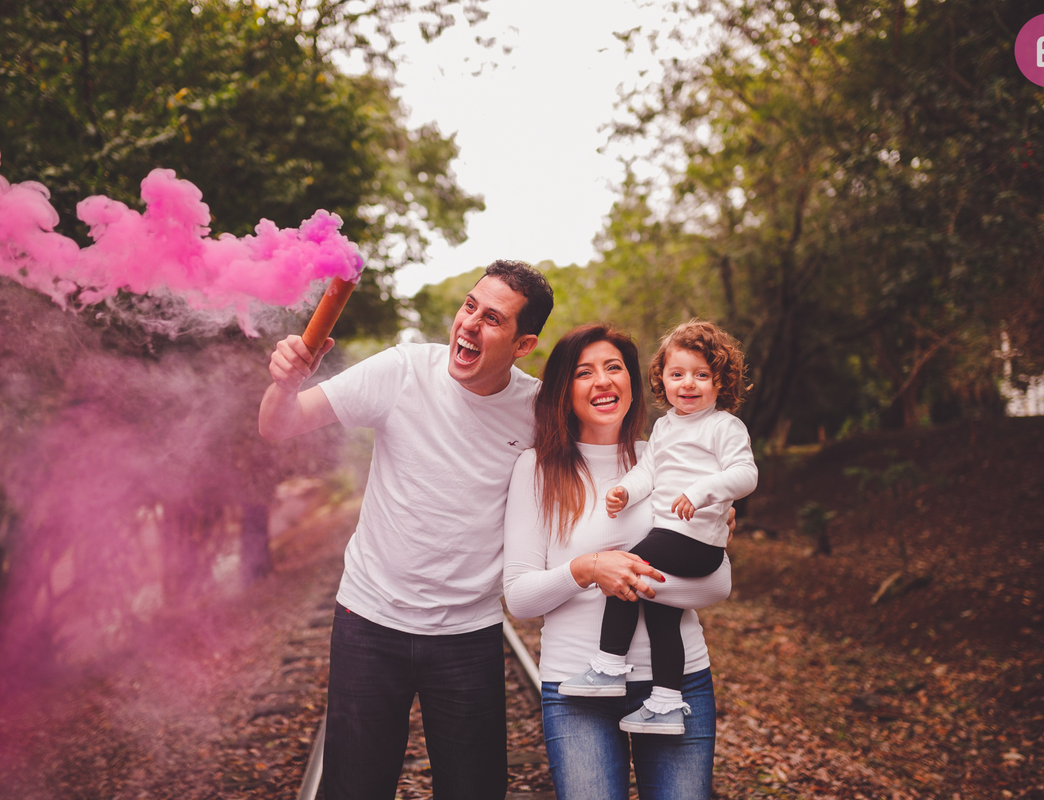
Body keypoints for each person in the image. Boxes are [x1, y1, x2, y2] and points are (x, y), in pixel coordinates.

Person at [258, 260, 569, 800]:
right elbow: (277, 425)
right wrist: (284, 384)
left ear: (523, 345)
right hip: (369, 621)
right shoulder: (401, 371)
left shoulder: (539, 409)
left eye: (492, 318)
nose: (469, 323)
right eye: (469, 306)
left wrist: (696, 503)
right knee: (355, 788)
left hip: (467, 634)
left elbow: (605, 466)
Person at [504, 323, 734, 800]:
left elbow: (716, 584)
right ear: (564, 390)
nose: (603, 381)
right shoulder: (538, 469)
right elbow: (520, 597)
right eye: (584, 372)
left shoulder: (670, 458)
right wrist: (587, 570)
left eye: (614, 367)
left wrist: (625, 575)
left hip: (678, 683)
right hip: (576, 688)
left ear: (633, 381)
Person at [558, 319, 756, 735]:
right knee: (663, 617)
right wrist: (625, 493)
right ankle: (667, 701)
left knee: (626, 568)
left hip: (696, 539)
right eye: (677, 374)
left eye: (702, 375)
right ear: (661, 379)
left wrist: (703, 492)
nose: (689, 384)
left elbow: (745, 475)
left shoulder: (724, 426)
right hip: (674, 535)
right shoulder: (665, 429)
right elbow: (647, 471)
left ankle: (609, 666)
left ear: (721, 382)